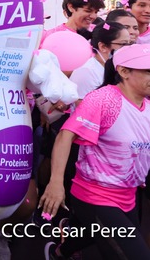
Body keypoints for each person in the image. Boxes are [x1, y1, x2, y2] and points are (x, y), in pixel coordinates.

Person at [40, 43, 150, 259]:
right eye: (148, 71)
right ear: (124, 72)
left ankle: (58, 252)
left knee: (94, 235)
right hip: (95, 196)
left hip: (128, 196)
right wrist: (56, 183)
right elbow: (65, 135)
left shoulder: (146, 106)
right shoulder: (104, 99)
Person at [70, 21, 130, 100]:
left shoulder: (122, 68)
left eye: (130, 44)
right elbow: (82, 105)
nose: (128, 48)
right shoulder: (87, 71)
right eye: (123, 44)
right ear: (103, 46)